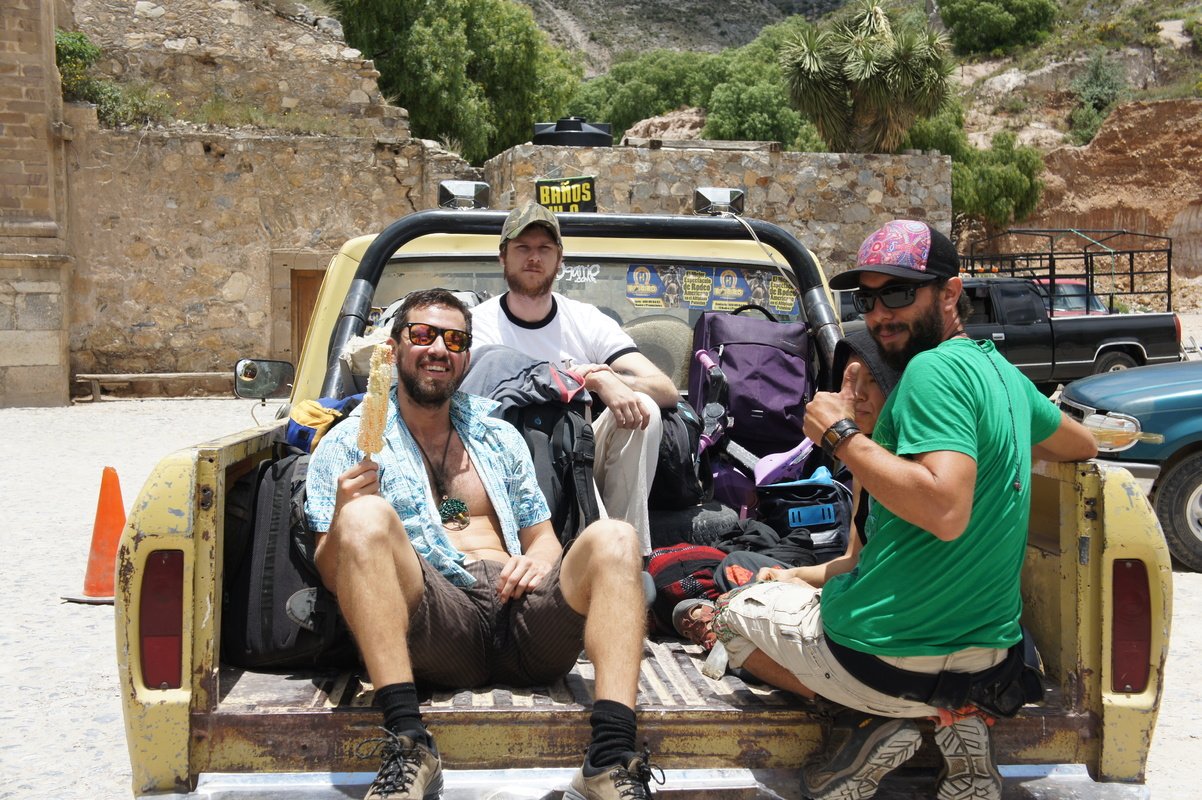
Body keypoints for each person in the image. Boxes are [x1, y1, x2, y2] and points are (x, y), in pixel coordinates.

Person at [705, 220, 1099, 800]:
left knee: (731, 612)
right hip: (989, 661)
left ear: (949, 293)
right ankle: (956, 731)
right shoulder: (999, 374)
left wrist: (838, 434)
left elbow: (944, 509)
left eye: (898, 293)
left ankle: (874, 723)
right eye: (867, 298)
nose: (880, 313)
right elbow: (1080, 445)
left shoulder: (928, 372)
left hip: (885, 655)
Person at [305, 289, 659, 800]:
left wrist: (535, 565)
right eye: (423, 335)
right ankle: (408, 744)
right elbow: (330, 572)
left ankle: (610, 758)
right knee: (365, 516)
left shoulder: (496, 435)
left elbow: (541, 541)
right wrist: (344, 516)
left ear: (467, 354)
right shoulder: (346, 444)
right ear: (394, 349)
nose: (439, 349)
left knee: (617, 537)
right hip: (436, 620)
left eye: (455, 339)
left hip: (522, 619)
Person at [471, 202, 680, 555]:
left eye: (544, 249)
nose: (533, 257)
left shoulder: (584, 319)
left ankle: (623, 554)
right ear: (502, 257)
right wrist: (589, 377)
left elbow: (665, 389)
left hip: (580, 460)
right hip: (504, 470)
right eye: (522, 248)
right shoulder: (478, 325)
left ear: (560, 259)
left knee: (643, 407)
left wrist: (608, 376)